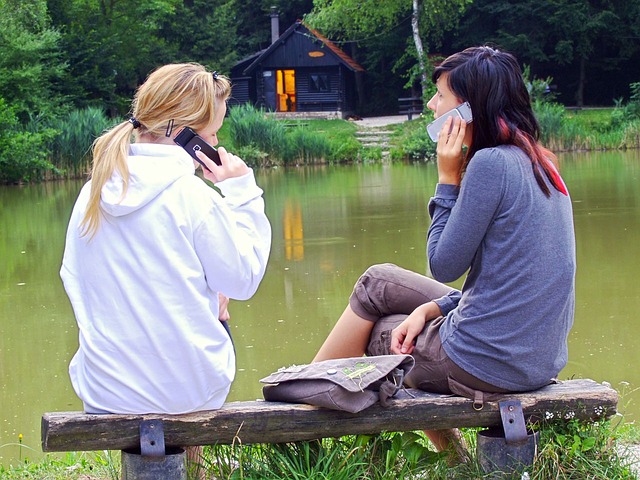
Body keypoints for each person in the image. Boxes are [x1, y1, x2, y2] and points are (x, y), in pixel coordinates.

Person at [313, 46, 575, 457]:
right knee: (379, 282)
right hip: (535, 361)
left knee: (383, 331)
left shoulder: (489, 165)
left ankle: (308, 425)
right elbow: (506, 281)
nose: (431, 106)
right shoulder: (543, 164)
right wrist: (429, 310)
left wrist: (447, 179)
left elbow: (444, 264)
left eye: (439, 96)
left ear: (469, 110)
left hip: (486, 364)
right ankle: (450, 457)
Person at [60, 63, 272, 417]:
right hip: (185, 395)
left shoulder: (92, 193)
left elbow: (75, 279)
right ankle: (197, 471)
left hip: (105, 394)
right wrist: (242, 191)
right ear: (188, 136)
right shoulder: (190, 194)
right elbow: (245, 280)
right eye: (213, 133)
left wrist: (202, 296)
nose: (217, 143)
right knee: (215, 322)